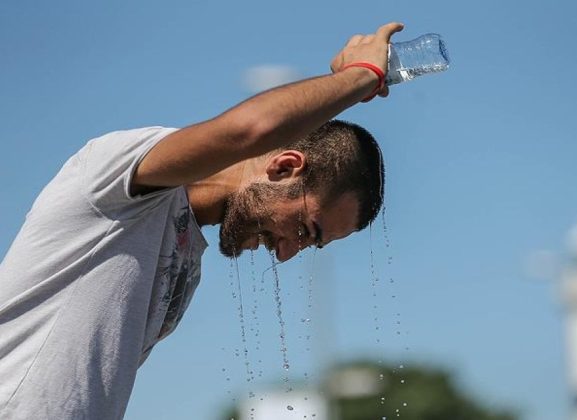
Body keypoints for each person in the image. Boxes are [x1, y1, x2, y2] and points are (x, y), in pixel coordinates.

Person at [0, 22, 404, 419]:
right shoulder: (119, 177)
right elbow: (250, 130)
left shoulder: (186, 261)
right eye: (303, 229)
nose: (285, 254)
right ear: (283, 168)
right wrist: (361, 77)